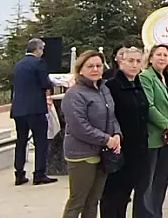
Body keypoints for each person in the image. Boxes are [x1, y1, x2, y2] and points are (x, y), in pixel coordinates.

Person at [61, 51, 121, 218]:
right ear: (80, 69)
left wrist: (116, 135)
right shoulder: (74, 94)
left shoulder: (103, 89)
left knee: (93, 200)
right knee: (77, 201)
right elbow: (79, 126)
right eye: (90, 66)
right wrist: (106, 139)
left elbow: (112, 115)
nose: (95, 69)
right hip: (81, 154)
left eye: (98, 66)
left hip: (102, 153)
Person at [101, 47, 149, 218]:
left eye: (138, 61)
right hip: (119, 147)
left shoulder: (138, 83)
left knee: (125, 194)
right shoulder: (111, 86)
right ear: (120, 62)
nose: (134, 65)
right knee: (112, 195)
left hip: (138, 148)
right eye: (130, 61)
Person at [136, 44, 168, 218]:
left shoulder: (167, 78)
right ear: (151, 57)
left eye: (165, 55)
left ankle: (156, 214)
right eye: (159, 55)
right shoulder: (146, 77)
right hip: (152, 137)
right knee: (147, 183)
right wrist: (167, 125)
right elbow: (149, 106)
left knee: (161, 182)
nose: (162, 58)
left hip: (167, 138)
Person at [10, 37, 57, 186]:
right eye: (42, 49)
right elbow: (45, 83)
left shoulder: (18, 65)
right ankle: (39, 174)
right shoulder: (39, 63)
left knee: (21, 142)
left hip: (18, 109)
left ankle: (19, 174)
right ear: (37, 50)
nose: (42, 53)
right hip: (35, 108)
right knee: (40, 142)